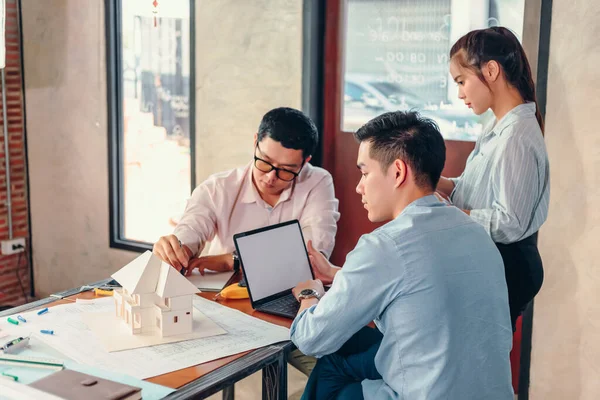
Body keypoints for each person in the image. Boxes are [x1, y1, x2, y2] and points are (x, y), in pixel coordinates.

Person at [291, 111, 513, 399]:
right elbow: (419, 280)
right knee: (347, 355)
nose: (359, 186)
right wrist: (337, 274)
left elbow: (310, 339)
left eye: (364, 172)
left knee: (332, 365)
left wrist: (309, 293)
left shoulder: (385, 245)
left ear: (397, 172)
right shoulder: (476, 231)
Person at [153, 106, 340, 376]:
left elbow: (312, 253)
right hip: (232, 310)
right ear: (255, 142)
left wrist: (232, 260)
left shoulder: (318, 182)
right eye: (263, 161)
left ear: (305, 162)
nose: (270, 177)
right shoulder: (218, 188)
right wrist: (176, 248)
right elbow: (191, 230)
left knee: (327, 372)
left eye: (287, 171)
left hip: (293, 304)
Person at [436, 27, 550, 329]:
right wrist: (436, 182)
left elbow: (509, 222)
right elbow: (475, 190)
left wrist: (453, 215)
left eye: (462, 81)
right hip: (494, 260)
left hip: (507, 265)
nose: (460, 93)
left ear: (491, 70)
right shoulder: (497, 126)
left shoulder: (516, 136)